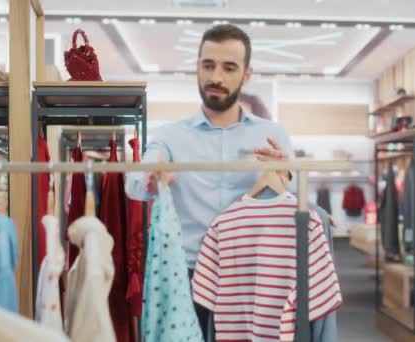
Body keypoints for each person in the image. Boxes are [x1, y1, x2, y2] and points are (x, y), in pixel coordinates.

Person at [125, 24, 294, 335]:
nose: (216, 77)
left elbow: (296, 203)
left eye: (229, 67)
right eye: (208, 65)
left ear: (247, 74)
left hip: (251, 279)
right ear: (197, 68)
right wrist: (152, 178)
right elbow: (134, 183)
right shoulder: (169, 136)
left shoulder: (272, 136)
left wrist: (285, 176)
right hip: (186, 278)